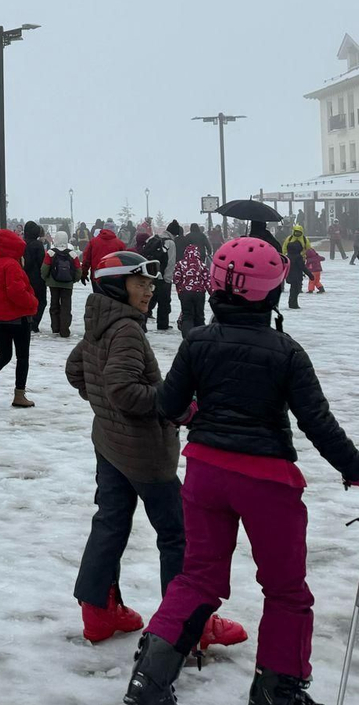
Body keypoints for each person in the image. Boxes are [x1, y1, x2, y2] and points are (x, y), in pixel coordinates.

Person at [122, 237, 359, 705]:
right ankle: (276, 697)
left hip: (205, 472)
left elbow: (166, 405)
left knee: (197, 578)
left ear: (216, 287)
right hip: (267, 481)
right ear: (271, 294)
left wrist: (201, 414)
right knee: (287, 590)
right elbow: (320, 426)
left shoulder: (197, 340)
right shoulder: (287, 352)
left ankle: (150, 677)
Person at [66, 252, 238, 647]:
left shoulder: (102, 321)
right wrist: (176, 405)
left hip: (109, 445)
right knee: (179, 535)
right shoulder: (125, 329)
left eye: (150, 283)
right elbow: (124, 390)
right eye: (139, 282)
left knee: (110, 522)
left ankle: (98, 611)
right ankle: (189, 624)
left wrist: (106, 410)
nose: (149, 289)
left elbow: (78, 370)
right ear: (115, 285)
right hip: (144, 453)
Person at [0, 227, 38, 407]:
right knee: (22, 357)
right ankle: (19, 395)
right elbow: (16, 292)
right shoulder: (11, 264)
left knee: (4, 354)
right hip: (17, 319)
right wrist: (33, 303)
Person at [173, 228, 212, 336]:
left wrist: (180, 289)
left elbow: (176, 279)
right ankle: (200, 336)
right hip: (199, 293)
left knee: (187, 315)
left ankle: (187, 336)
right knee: (200, 316)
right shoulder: (201, 264)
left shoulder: (180, 264)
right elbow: (207, 280)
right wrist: (212, 293)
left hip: (185, 292)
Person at [42, 229, 80, 337]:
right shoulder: (72, 254)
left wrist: (46, 279)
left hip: (53, 283)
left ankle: (55, 328)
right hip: (68, 284)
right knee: (66, 306)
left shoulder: (50, 252)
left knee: (54, 305)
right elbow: (78, 269)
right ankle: (65, 330)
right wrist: (74, 280)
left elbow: (45, 268)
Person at [143, 225, 177, 331]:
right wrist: (168, 278)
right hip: (163, 277)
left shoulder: (153, 239)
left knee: (149, 299)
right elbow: (171, 262)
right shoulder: (170, 243)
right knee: (164, 302)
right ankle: (162, 325)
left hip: (151, 275)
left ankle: (141, 323)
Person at [22, 220, 48, 334]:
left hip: (24, 277)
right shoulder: (38, 245)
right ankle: (34, 323)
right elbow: (42, 262)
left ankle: (26, 322)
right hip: (37, 278)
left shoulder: (21, 243)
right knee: (41, 301)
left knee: (27, 301)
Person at [283, 240, 311, 310]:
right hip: (297, 276)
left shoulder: (287, 256)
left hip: (289, 275)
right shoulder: (298, 257)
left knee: (293, 289)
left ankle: (292, 303)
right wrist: (310, 275)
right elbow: (302, 267)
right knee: (296, 290)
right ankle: (293, 304)